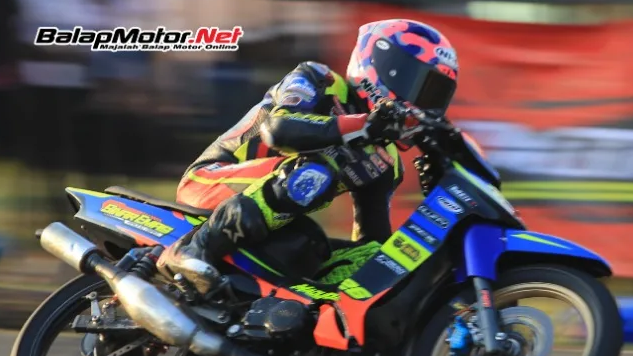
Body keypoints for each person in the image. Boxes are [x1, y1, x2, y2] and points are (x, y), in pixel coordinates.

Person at [156, 19, 459, 294]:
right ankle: (194, 250)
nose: (423, 104)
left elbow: (371, 241)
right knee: (318, 171)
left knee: (379, 258)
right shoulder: (319, 79)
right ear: (383, 66)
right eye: (418, 86)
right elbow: (279, 130)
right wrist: (364, 125)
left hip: (269, 219)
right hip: (208, 182)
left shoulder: (386, 159)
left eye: (434, 96)